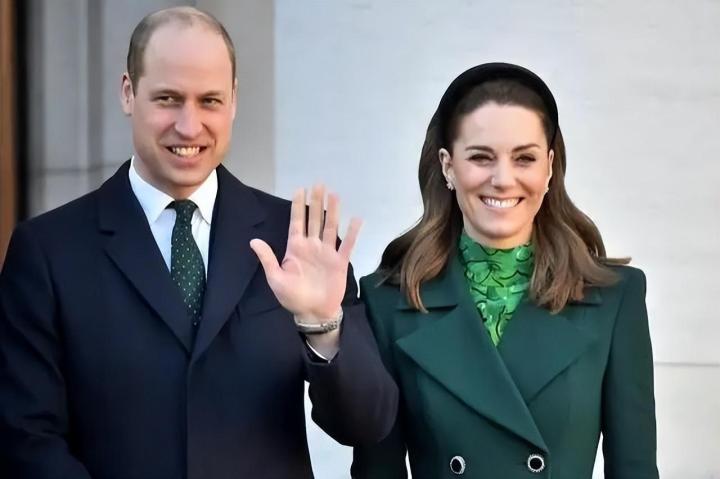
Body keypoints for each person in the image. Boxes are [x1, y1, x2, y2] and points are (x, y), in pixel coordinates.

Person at [0, 7, 397, 479]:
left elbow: (367, 423)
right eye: (168, 99)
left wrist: (322, 327)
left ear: (233, 100)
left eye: (209, 101)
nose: (189, 127)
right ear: (128, 93)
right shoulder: (48, 252)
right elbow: (26, 438)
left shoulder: (296, 239)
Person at [351, 63, 658, 478]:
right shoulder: (390, 301)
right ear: (447, 166)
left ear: (549, 168)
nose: (503, 179)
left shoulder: (614, 297)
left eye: (524, 158)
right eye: (481, 157)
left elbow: (636, 469)